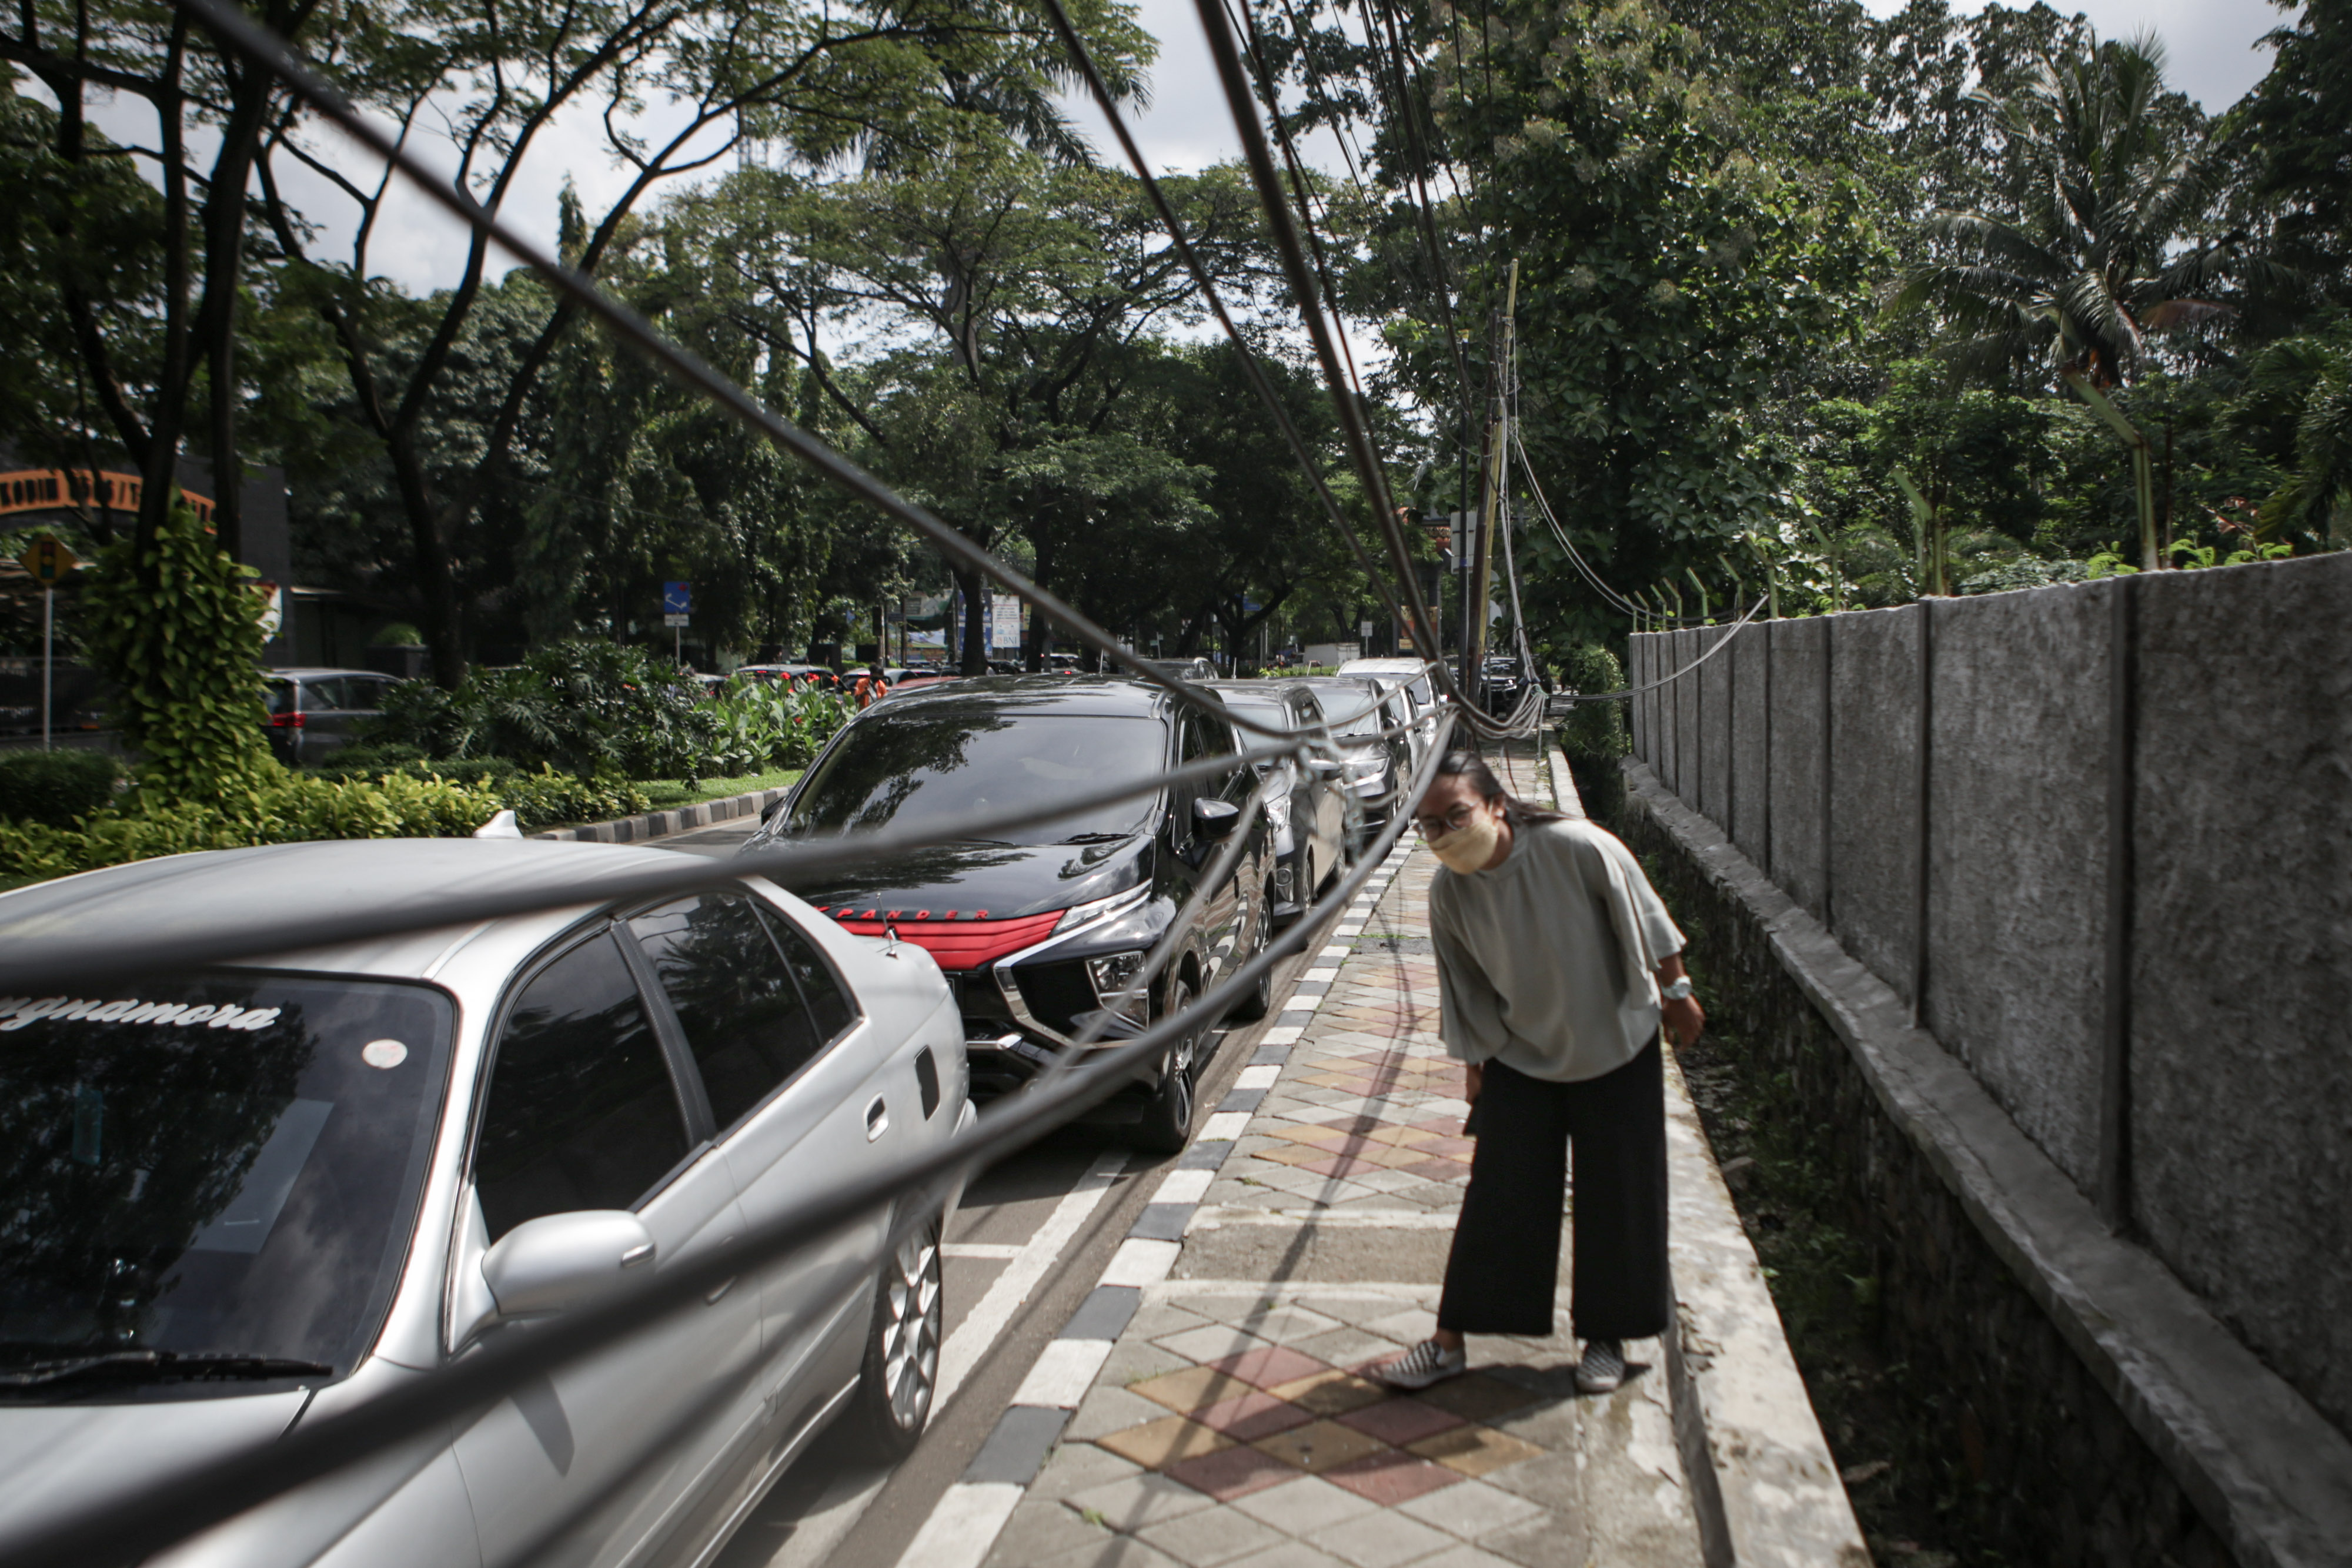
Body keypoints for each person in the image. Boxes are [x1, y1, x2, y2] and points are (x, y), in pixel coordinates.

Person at [1374, 749, 1704, 1396]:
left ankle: (1604, 1339)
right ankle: (1449, 1342)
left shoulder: (1576, 847)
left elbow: (1646, 917)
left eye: (1456, 815)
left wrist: (1677, 993)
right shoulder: (1449, 893)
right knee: (1499, 1195)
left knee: (1618, 1195)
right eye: (1429, 825)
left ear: (1496, 805)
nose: (1444, 834)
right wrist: (1476, 1069)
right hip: (1523, 1054)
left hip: (1616, 1043)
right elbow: (1461, 990)